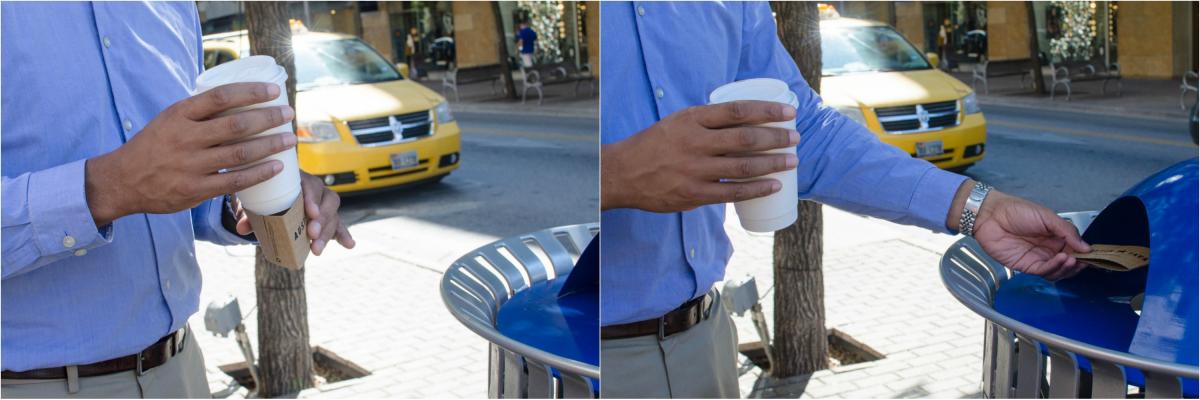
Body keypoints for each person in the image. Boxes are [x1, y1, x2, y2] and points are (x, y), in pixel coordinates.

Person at [598, 2, 1090, 398]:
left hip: (706, 341)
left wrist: (976, 205)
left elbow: (803, 132)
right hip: (576, 355)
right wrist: (616, 173)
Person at [1, 2, 355, 397]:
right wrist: (109, 188)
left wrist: (249, 191)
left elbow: (175, 180)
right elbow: (139, 178)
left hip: (182, 370)